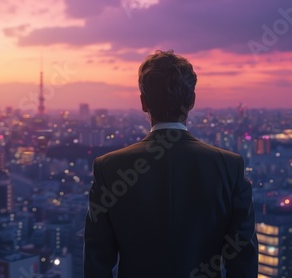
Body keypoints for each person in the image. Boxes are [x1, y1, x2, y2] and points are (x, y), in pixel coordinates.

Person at [84, 50, 258, 278]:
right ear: (192, 101)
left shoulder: (109, 168)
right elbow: (242, 263)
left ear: (143, 103)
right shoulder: (229, 167)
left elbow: (96, 264)